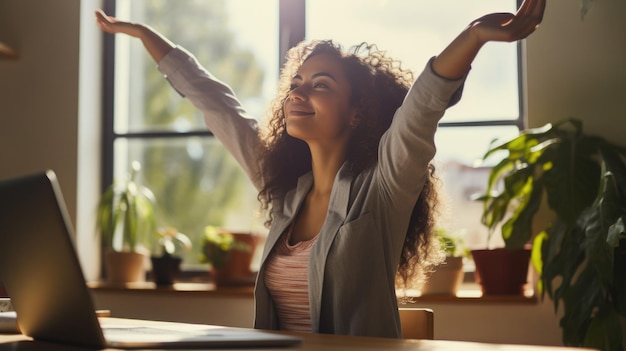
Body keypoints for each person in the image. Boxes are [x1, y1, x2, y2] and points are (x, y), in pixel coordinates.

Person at [95, 0, 545, 338]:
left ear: (357, 113)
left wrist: (474, 35)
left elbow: (422, 105)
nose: (297, 94)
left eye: (320, 85)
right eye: (296, 84)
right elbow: (217, 104)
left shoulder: (383, 187)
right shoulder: (283, 192)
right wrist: (141, 32)